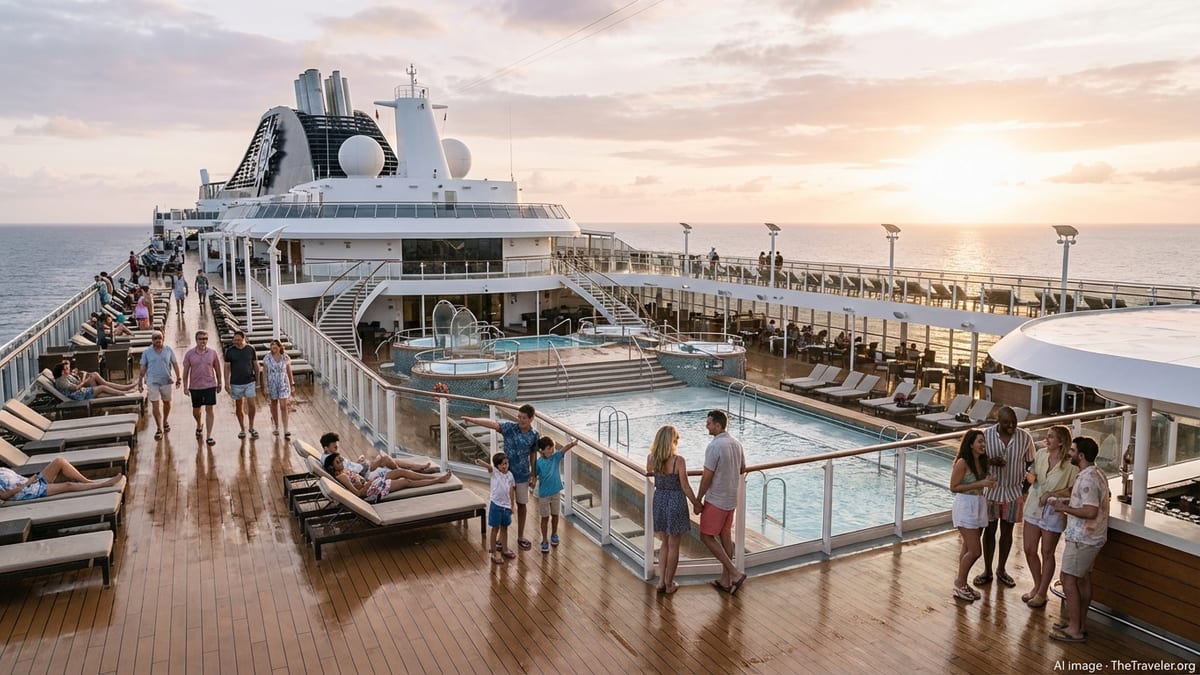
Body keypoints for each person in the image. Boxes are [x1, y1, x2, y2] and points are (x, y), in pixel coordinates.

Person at [1049, 436, 1110, 644]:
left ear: (1081, 456)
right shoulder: (1097, 473)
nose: (1069, 453)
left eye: (1073, 451)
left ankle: (1074, 629)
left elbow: (1090, 511)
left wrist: (1064, 508)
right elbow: (1088, 502)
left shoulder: (1087, 480)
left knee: (1068, 579)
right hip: (1091, 538)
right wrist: (1067, 501)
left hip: (1082, 539)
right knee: (1082, 579)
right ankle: (1079, 624)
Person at [462, 404, 539, 551]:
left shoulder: (534, 435)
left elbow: (533, 454)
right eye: (519, 417)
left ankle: (520, 536)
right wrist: (472, 420)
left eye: (524, 418)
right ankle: (499, 539)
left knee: (522, 505)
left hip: (522, 475)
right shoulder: (510, 428)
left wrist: (533, 474)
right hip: (505, 474)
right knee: (502, 505)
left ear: (531, 418)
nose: (520, 420)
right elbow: (492, 424)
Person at [974, 406, 1035, 590]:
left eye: (1014, 422)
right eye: (1006, 423)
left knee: (1007, 533)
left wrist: (1024, 489)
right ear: (998, 421)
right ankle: (987, 571)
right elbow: (975, 460)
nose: (1011, 426)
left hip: (1013, 492)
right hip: (991, 492)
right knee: (989, 532)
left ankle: (1001, 569)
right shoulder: (986, 435)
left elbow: (1031, 463)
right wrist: (990, 462)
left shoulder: (1025, 437)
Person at [1021, 425, 1078, 609]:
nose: (1047, 440)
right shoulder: (1041, 454)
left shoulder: (1071, 464)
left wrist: (1052, 494)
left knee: (1047, 552)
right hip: (1034, 506)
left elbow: (1072, 489)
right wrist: (1029, 477)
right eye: (1047, 436)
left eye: (1051, 437)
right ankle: (1037, 586)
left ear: (1061, 441)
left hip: (1053, 511)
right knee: (1029, 549)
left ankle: (1042, 592)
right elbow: (1034, 476)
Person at [694, 409, 746, 594]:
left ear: (718, 425)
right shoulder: (737, 444)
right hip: (731, 498)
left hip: (717, 499)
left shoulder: (714, 446)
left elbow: (707, 476)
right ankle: (725, 580)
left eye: (709, 423)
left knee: (706, 536)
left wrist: (698, 499)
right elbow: (742, 468)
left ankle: (734, 573)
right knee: (725, 536)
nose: (706, 426)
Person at [647, 424, 699, 595]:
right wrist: (696, 503)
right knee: (674, 545)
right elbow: (685, 486)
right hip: (675, 500)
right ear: (673, 441)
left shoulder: (651, 458)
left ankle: (661, 582)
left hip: (659, 499)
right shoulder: (678, 461)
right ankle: (669, 584)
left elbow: (650, 473)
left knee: (664, 543)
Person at [950, 429, 996, 602]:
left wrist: (988, 481)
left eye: (984, 441)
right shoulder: (962, 462)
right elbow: (953, 487)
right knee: (975, 551)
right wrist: (980, 483)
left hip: (978, 504)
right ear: (970, 444)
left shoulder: (982, 461)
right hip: (965, 506)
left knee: (967, 548)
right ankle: (959, 583)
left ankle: (962, 583)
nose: (983, 445)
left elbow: (981, 483)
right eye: (979, 441)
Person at [323, 452, 450, 501]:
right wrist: (368, 483)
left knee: (401, 471)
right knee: (406, 481)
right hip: (372, 490)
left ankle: (432, 477)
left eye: (340, 459)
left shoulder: (343, 471)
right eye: (338, 462)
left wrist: (367, 480)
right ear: (332, 468)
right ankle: (437, 480)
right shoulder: (342, 477)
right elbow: (358, 494)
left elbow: (359, 480)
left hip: (372, 482)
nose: (342, 462)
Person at [318, 432, 441, 478]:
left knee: (388, 458)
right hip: (363, 473)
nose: (337, 449)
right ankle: (409, 473)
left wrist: (358, 461)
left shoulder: (329, 456)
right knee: (384, 458)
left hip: (362, 467)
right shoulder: (329, 461)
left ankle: (418, 468)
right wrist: (359, 466)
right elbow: (345, 473)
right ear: (326, 448)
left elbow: (347, 466)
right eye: (334, 447)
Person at [531, 436, 578, 553]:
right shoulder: (539, 463)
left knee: (555, 515)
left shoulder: (556, 457)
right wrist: (532, 482)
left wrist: (573, 443)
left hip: (556, 492)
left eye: (552, 448)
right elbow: (535, 475)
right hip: (544, 495)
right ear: (542, 450)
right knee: (545, 517)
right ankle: (544, 540)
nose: (552, 450)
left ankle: (554, 534)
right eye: (549, 448)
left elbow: (564, 449)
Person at [0, 459, 123, 502]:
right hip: (29, 492)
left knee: (59, 461)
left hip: (32, 482)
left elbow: (15, 479)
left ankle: (88, 482)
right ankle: (103, 484)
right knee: (68, 485)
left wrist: (29, 480)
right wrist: (26, 484)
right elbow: (4, 496)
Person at [138, 331, 182, 440]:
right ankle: (159, 428)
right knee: (155, 405)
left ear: (163, 338)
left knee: (167, 403)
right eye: (155, 338)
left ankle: (165, 420)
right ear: (152, 340)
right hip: (152, 382)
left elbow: (175, 363)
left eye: (159, 338)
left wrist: (178, 377)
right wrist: (140, 381)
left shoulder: (168, 350)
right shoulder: (147, 352)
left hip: (166, 380)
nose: (158, 340)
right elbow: (143, 368)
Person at [182, 330, 223, 446]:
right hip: (195, 386)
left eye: (205, 339)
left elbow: (217, 369)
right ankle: (199, 424)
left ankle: (209, 436)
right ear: (196, 340)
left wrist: (220, 383)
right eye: (200, 339)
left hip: (210, 385)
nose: (203, 341)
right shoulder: (189, 354)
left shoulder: (212, 353)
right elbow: (185, 372)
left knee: (210, 410)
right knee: (196, 410)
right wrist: (185, 386)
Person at [475, 452, 517, 564]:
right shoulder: (495, 473)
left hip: (506, 507)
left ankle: (505, 549)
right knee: (495, 529)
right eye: (503, 464)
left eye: (506, 463)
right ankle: (493, 553)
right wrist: (481, 462)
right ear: (497, 466)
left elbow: (511, 491)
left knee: (505, 528)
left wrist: (512, 505)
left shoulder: (510, 475)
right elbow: (489, 467)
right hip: (496, 506)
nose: (505, 466)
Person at [223, 330, 260, 440]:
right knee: (239, 406)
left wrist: (258, 381)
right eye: (235, 340)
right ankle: (242, 429)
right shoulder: (229, 351)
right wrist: (226, 383)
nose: (237, 342)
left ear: (244, 339)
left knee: (251, 404)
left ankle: (251, 426)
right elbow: (226, 368)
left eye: (239, 340)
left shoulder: (250, 349)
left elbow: (256, 365)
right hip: (236, 382)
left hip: (250, 381)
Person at [52, 362, 137, 400]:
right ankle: (124, 393)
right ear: (62, 372)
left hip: (80, 392)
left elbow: (76, 383)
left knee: (95, 376)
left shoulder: (65, 377)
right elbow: (76, 387)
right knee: (103, 387)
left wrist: (77, 375)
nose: (69, 369)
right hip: (78, 396)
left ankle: (126, 388)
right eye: (67, 368)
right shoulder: (61, 381)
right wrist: (84, 378)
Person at [262, 339, 294, 438]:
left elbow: (289, 371)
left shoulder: (285, 357)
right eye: (272, 345)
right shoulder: (267, 358)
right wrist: (265, 386)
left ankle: (286, 429)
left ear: (280, 347)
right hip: (272, 384)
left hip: (283, 383)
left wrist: (292, 383)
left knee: (283, 406)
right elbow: (264, 373)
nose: (274, 347)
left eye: (276, 345)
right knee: (274, 405)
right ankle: (276, 427)